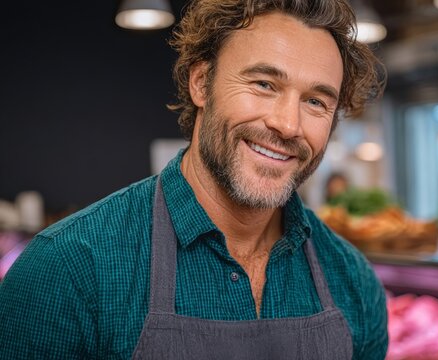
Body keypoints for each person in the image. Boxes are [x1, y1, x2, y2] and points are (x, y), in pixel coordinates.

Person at [0, 0, 388, 358]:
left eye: (316, 102)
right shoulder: (67, 268)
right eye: (264, 84)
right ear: (201, 82)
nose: (288, 124)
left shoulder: (353, 281)